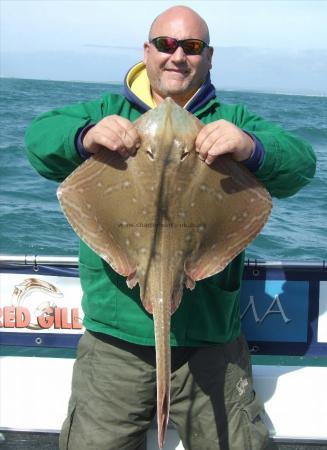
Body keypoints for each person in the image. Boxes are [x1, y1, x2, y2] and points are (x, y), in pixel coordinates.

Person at [25, 5, 316, 450]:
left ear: (209, 57)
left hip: (211, 343)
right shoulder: (108, 110)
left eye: (192, 47)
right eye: (166, 44)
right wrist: (86, 137)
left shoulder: (232, 119)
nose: (177, 55)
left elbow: (300, 165)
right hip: (115, 346)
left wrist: (250, 147)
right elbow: (39, 142)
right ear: (148, 51)